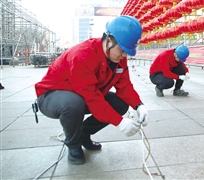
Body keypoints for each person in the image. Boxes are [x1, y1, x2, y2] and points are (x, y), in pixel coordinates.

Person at [34, 15, 149, 165]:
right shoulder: (82, 55)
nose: (124, 55)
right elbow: (92, 97)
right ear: (109, 40)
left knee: (119, 103)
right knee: (73, 104)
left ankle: (83, 134)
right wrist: (120, 123)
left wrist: (139, 106)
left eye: (127, 52)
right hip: (52, 96)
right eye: (122, 50)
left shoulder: (118, 57)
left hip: (83, 96)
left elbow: (125, 86)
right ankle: (73, 144)